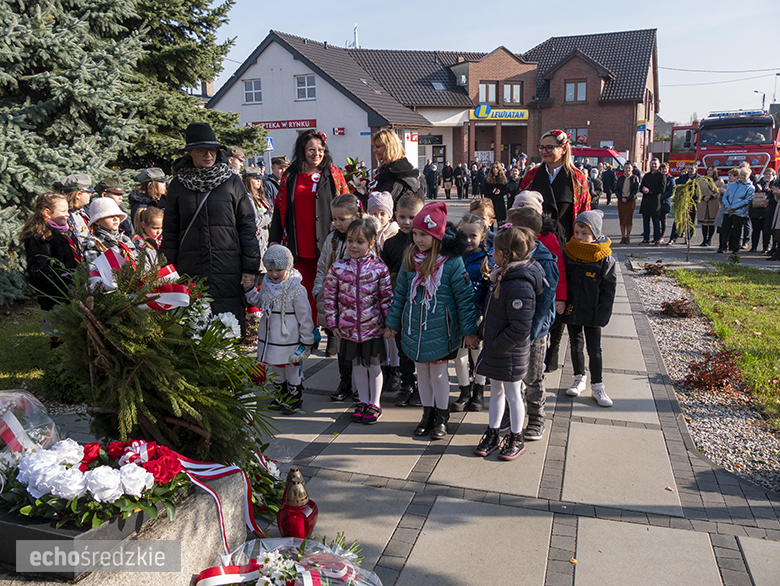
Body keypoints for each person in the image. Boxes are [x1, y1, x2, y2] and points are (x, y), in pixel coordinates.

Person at [384, 201, 479, 440]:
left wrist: (469, 331)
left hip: (442, 331)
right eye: (415, 234)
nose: (417, 239)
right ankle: (427, 413)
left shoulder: (452, 263)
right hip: (415, 330)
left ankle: (442, 415)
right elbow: (401, 295)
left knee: (438, 375)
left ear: (436, 236)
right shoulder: (410, 260)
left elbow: (464, 299)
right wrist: (393, 323)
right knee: (422, 374)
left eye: (423, 235)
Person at [161, 122, 261, 335]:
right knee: (194, 334)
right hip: (190, 269)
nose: (209, 155)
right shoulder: (178, 185)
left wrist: (250, 268)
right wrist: (166, 270)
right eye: (202, 150)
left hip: (229, 268)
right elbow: (169, 231)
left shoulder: (232, 182)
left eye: (213, 150)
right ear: (190, 152)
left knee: (228, 332)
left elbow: (247, 226)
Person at [472, 226, 544, 460]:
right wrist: (484, 332)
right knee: (496, 391)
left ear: (504, 254)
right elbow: (493, 311)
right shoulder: (503, 275)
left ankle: (516, 436)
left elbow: (520, 328)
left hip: (509, 352)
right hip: (497, 348)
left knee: (514, 394)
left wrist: (495, 345)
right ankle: (493, 432)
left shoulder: (519, 283)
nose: (491, 252)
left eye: (495, 249)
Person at [269, 129, 350, 325]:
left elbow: (349, 204)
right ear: (302, 150)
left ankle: (331, 333)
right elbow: (279, 208)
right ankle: (308, 331)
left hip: (329, 242)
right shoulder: (290, 176)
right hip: (299, 242)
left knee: (330, 288)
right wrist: (274, 237)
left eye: (320, 149)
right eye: (311, 149)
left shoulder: (334, 174)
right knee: (303, 290)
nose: (316, 154)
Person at [324, 218, 393, 425]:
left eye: (360, 241)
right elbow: (330, 298)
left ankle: (375, 403)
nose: (354, 245)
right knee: (358, 366)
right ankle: (362, 401)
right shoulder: (337, 268)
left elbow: (386, 298)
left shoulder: (379, 269)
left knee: (374, 366)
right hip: (349, 328)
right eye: (350, 240)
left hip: (373, 328)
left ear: (371, 244)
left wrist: (389, 324)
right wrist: (333, 322)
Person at [506, 206, 559, 440]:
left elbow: (546, 302)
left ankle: (537, 417)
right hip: (512, 328)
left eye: (509, 227)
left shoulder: (545, 261)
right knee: (512, 375)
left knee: (533, 376)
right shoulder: (509, 253)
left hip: (534, 332)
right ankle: (512, 414)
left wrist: (531, 332)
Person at [245, 245, 314, 413]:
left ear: (288, 267)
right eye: (270, 270)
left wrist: (307, 339)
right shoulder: (268, 285)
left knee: (292, 366)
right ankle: (281, 395)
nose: (274, 274)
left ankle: (294, 398)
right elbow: (260, 302)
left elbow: (305, 316)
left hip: (289, 337)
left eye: (278, 270)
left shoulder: (296, 289)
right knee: (276, 366)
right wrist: (249, 290)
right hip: (272, 337)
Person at [562, 210, 616, 408]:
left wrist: (603, 314)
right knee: (575, 344)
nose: (579, 237)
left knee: (595, 348)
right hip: (572, 308)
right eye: (576, 232)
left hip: (593, 310)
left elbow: (609, 289)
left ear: (595, 233)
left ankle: (598, 385)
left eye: (584, 233)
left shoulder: (604, 257)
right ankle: (579, 378)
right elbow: (563, 280)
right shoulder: (569, 251)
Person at [312, 193, 361, 401]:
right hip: (335, 301)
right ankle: (345, 380)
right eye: (335, 219)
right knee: (341, 345)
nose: (338, 223)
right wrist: (319, 291)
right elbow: (323, 266)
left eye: (343, 218)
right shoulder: (332, 239)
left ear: (356, 215)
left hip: (356, 303)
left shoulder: (363, 237)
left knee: (357, 347)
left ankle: (361, 384)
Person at [21, 193, 82, 347]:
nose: (67, 214)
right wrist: (59, 293)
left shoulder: (66, 231)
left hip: (74, 290)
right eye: (63, 211)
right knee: (59, 332)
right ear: (47, 213)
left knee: (73, 333)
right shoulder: (39, 237)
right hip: (57, 295)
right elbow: (39, 272)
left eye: (67, 210)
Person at [381, 192, 424, 408]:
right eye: (403, 217)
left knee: (419, 345)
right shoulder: (390, 244)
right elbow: (386, 273)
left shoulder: (425, 242)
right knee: (402, 345)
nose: (407, 222)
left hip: (421, 304)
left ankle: (422, 386)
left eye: (412, 217)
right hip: (399, 303)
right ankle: (407, 383)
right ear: (396, 216)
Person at [518, 129, 591, 249]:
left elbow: (584, 213)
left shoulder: (577, 178)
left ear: (563, 149)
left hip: (566, 243)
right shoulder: (531, 175)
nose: (544, 151)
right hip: (534, 242)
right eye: (541, 147)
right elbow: (519, 207)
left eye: (549, 147)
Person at [451, 214, 493, 413]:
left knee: (478, 353)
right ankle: (464, 391)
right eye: (463, 235)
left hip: (478, 314)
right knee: (459, 356)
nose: (468, 240)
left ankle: (479, 390)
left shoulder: (487, 259)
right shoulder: (453, 256)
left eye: (473, 235)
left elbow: (489, 291)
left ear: (482, 236)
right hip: (457, 313)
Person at [371, 130, 424, 205]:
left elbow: (381, 205)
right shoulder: (389, 170)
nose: (374, 150)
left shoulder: (397, 174)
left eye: (378, 146)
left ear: (389, 147)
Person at [82, 198, 137, 265]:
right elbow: (94, 270)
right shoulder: (95, 244)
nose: (115, 218)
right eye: (110, 216)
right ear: (97, 221)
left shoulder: (125, 239)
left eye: (117, 215)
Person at [242, 166, 273, 271]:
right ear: (247, 180)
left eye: (260, 178)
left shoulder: (259, 197)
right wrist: (270, 215)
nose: (259, 181)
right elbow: (253, 222)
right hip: (257, 243)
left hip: (266, 241)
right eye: (255, 178)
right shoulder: (247, 198)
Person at [718, 166, 754, 255]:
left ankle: (735, 248)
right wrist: (727, 206)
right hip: (727, 211)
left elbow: (747, 200)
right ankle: (722, 247)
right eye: (741, 174)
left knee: (736, 231)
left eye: (744, 175)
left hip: (739, 213)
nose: (742, 177)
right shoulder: (733, 184)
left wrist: (733, 207)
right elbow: (725, 196)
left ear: (749, 175)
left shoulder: (750, 187)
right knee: (725, 230)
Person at [60, 173, 94, 248]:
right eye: (88, 192)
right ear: (78, 194)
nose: (91, 194)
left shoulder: (86, 211)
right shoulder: (64, 216)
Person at [639, 158, 665, 245]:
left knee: (656, 221)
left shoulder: (661, 175)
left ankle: (656, 238)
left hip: (655, 201)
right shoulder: (647, 175)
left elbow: (662, 189)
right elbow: (641, 187)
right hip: (646, 201)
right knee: (645, 221)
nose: (653, 165)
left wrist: (650, 191)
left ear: (658, 164)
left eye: (655, 164)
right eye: (652, 163)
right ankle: (646, 238)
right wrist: (643, 190)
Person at [697, 165, 724, 247]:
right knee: (704, 223)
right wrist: (702, 197)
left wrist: (712, 196)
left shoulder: (719, 180)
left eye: (711, 170)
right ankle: (704, 239)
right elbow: (697, 191)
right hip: (703, 203)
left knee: (711, 223)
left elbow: (720, 191)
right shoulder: (701, 180)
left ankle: (709, 240)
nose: (709, 172)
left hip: (713, 203)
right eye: (708, 170)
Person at [750, 168, 774, 253]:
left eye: (770, 174)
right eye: (766, 174)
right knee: (756, 229)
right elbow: (752, 192)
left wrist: (767, 190)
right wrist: (758, 189)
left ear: (773, 175)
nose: (767, 176)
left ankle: (765, 247)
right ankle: (753, 247)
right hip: (756, 210)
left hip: (767, 211)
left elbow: (774, 194)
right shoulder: (757, 183)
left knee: (766, 230)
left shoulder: (774, 183)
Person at [615, 162, 639, 244]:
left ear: (632, 169)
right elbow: (616, 189)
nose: (627, 169)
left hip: (630, 201)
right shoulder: (620, 178)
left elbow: (635, 190)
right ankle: (623, 237)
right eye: (626, 168)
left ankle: (628, 237)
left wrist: (628, 198)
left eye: (629, 168)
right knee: (622, 220)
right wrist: (621, 198)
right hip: (621, 201)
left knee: (628, 220)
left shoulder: (635, 178)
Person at [659, 163, 675, 243]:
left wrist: (662, 197)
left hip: (665, 202)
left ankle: (662, 235)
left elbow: (671, 191)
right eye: (663, 169)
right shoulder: (658, 177)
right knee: (656, 219)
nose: (664, 170)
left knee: (663, 220)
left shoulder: (671, 179)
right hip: (657, 202)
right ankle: (657, 235)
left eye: (666, 168)